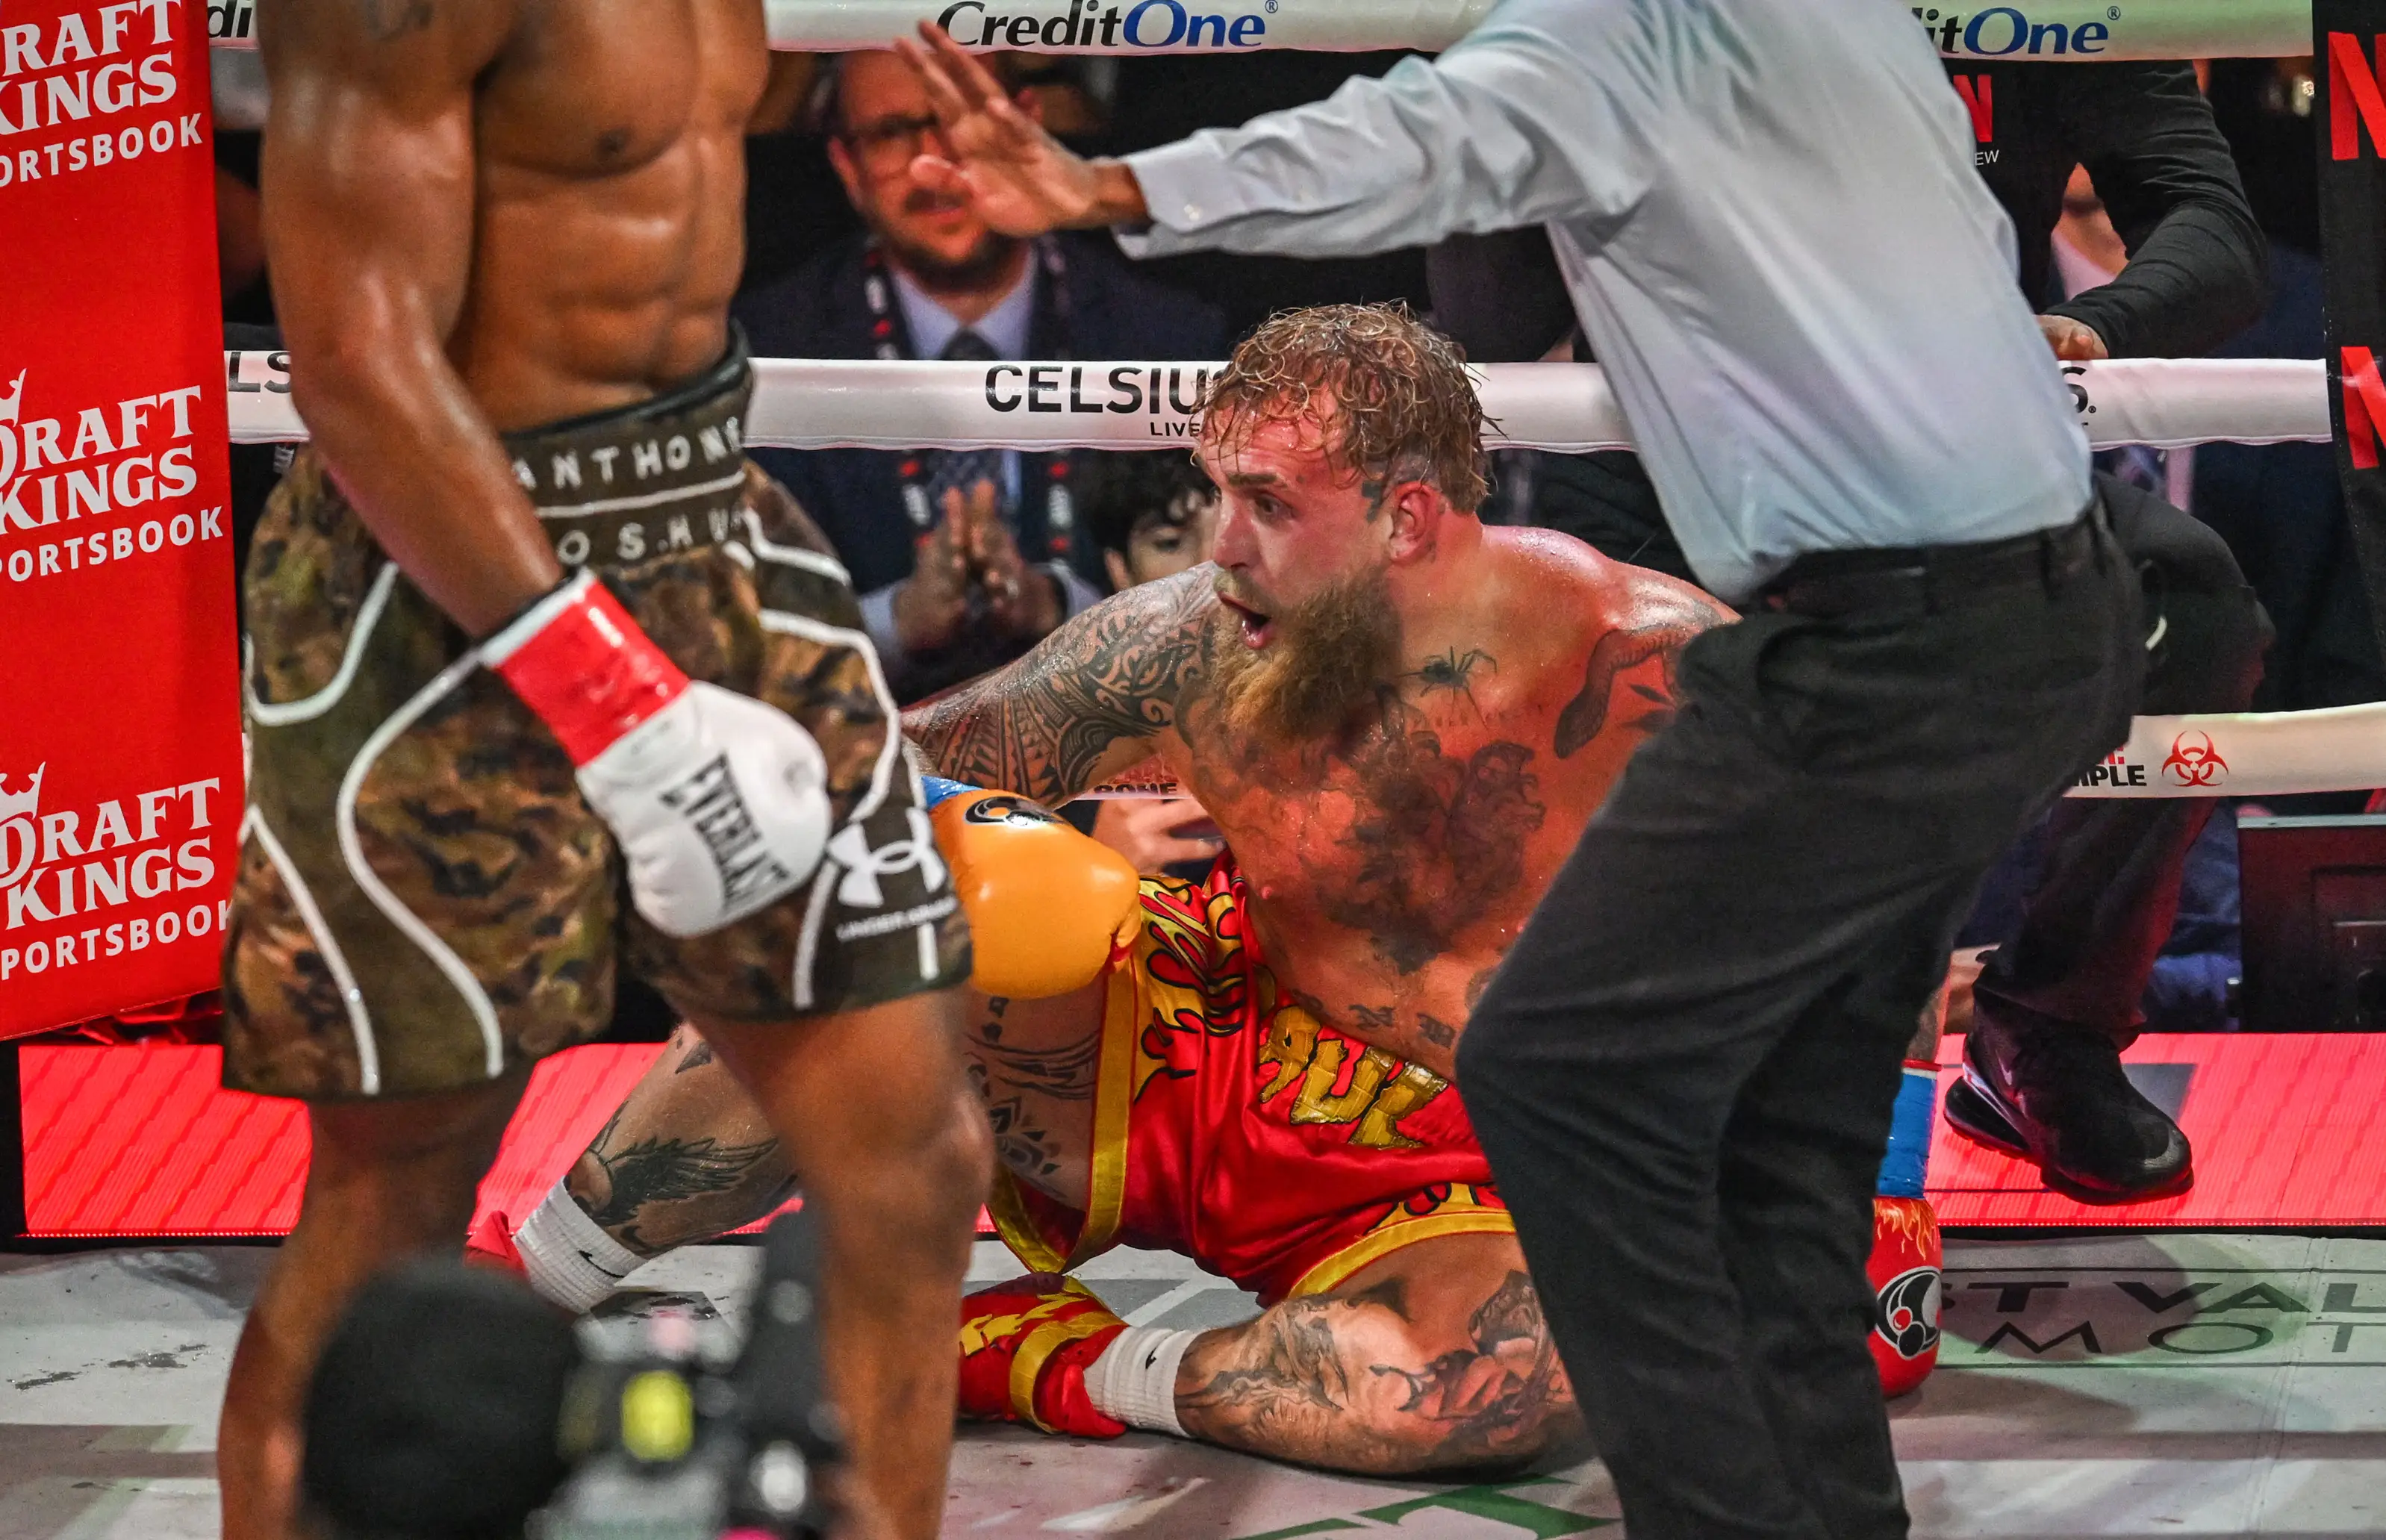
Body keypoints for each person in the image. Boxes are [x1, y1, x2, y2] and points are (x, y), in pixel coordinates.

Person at [894, 8, 2143, 1536]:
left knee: (1560, 1080)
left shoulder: (1616, 39)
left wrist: (1110, 194)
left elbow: (1403, 146)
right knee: (1775, 1150)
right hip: (2031, 605)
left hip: (1893, 636)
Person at [482, 306, 1947, 1470]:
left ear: (1409, 517)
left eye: (1262, 500)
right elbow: (873, 774)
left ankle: (1034, 1353)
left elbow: (1870, 883)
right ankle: (511, 1293)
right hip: (1190, 1048)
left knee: (1494, 1390)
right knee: (866, 918)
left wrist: (1875, 1189)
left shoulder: (1645, 670)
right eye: (1209, 493)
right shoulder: (1186, 647)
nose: (1218, 541)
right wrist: (1012, 831)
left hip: (1469, 1183)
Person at [218, 5, 989, 1539]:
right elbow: (357, 363)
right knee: (398, 1194)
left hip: (706, 521)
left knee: (909, 1157)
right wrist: (615, 701)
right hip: (438, 584)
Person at [1427, 57, 2273, 1200]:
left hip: (1934, 445)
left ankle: (2051, 1027)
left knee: (2192, 599)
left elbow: (2213, 227)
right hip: (1668, 453)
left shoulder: (2041, 12)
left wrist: (2085, 323)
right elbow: (1489, 299)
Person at [732, 52, 1224, 702]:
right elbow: (734, 633)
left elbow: (1219, 607)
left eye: (957, 121)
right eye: (890, 133)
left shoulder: (1172, 338)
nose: (933, 161)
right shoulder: (765, 351)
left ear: (1027, 128)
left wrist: (1058, 606)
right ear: (847, 168)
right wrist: (897, 620)